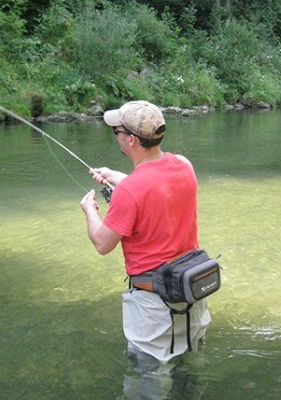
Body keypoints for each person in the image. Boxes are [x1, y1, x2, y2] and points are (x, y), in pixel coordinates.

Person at [80, 100, 211, 364]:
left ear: (131, 140)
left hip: (154, 309)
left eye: (116, 131)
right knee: (190, 373)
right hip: (191, 293)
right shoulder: (184, 165)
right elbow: (156, 185)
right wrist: (118, 176)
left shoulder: (130, 192)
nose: (116, 136)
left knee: (147, 379)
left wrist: (89, 210)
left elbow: (102, 244)